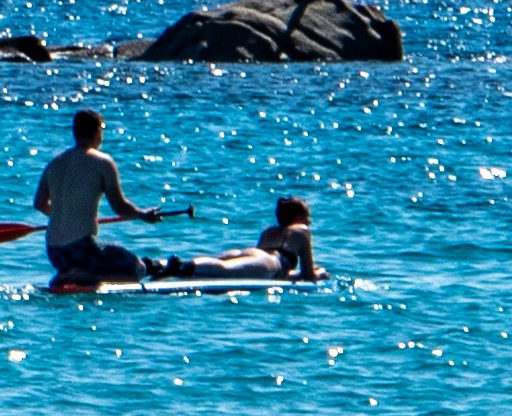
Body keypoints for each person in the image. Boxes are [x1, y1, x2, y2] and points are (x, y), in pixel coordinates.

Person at [35, 110, 178, 288]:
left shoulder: (55, 163)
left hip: (55, 253)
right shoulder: (102, 162)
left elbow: (39, 203)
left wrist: (64, 215)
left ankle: (71, 273)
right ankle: (83, 276)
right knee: (138, 269)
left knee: (106, 251)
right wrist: (143, 214)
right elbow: (119, 207)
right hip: (82, 251)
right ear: (97, 132)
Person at [152, 195, 326, 284]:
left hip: (253, 253)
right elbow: (308, 276)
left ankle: (159, 265)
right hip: (268, 261)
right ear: (298, 216)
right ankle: (182, 266)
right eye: (307, 216)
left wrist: (293, 275)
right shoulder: (302, 231)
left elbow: (276, 273)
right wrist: (320, 273)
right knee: (224, 269)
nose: (309, 221)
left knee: (219, 263)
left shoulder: (269, 231)